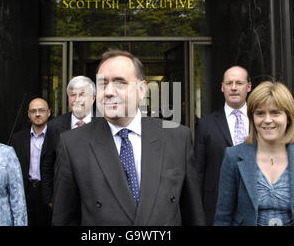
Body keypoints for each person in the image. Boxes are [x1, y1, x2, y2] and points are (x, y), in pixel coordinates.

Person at [51, 49, 205, 225]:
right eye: (102, 84)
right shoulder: (72, 144)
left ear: (141, 89)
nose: (108, 92)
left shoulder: (177, 138)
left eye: (119, 83)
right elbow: (64, 219)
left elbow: (193, 215)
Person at [214, 81, 294, 226]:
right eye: (260, 113)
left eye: (275, 112)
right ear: (252, 118)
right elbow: (223, 217)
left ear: (288, 117)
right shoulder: (233, 156)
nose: (267, 120)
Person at [194, 65, 251, 225]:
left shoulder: (260, 121)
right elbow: (198, 170)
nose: (233, 88)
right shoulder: (206, 124)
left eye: (239, 83)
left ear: (248, 87)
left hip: (254, 201)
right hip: (216, 203)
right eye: (229, 83)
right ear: (222, 87)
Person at [42, 76, 96, 211]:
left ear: (93, 98)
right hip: (64, 201)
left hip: (97, 200)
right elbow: (47, 164)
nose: (77, 99)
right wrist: (50, 199)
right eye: (72, 95)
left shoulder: (104, 124)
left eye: (82, 94)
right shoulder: (54, 126)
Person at [11, 98, 53, 226]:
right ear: (29, 114)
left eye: (41, 110)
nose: (37, 114)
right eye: (33, 111)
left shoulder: (58, 137)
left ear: (49, 113)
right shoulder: (18, 138)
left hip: (49, 194)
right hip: (26, 193)